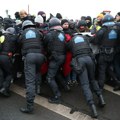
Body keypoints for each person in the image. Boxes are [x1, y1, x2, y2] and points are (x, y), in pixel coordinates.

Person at [66, 32, 106, 118]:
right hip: (89, 59)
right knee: (92, 80)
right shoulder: (85, 38)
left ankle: (93, 108)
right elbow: (93, 40)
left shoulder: (71, 40)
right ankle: (101, 99)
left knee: (85, 84)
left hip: (80, 60)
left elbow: (67, 48)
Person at [19, 20, 45, 113]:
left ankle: (29, 106)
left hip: (29, 56)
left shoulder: (22, 33)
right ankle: (38, 89)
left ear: (24, 26)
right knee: (38, 72)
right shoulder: (39, 32)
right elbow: (43, 41)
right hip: (40, 56)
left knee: (30, 81)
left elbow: (19, 43)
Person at [90, 14, 120, 91]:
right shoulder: (117, 28)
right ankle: (117, 82)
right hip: (113, 52)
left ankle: (100, 87)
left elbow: (95, 40)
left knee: (102, 70)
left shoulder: (103, 29)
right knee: (108, 69)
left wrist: (91, 37)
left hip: (104, 53)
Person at [44, 17, 66, 103]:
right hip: (62, 57)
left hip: (55, 58)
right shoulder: (62, 34)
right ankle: (65, 86)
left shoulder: (49, 34)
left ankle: (57, 96)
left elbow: (45, 44)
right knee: (56, 73)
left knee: (49, 78)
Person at [0, 27, 17, 97]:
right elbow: (16, 48)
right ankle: (4, 88)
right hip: (7, 57)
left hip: (0, 56)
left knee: (1, 73)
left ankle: (1, 87)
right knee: (9, 74)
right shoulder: (14, 38)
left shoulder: (2, 36)